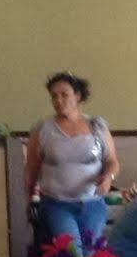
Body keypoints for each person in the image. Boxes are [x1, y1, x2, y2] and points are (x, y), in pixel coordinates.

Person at [24, 71, 118, 245]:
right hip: (56, 204)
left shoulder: (97, 126)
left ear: (77, 96)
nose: (58, 100)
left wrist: (108, 177)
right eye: (54, 96)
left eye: (64, 95)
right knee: (72, 252)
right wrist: (28, 200)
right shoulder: (42, 130)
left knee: (91, 256)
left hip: (92, 203)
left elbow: (112, 161)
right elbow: (32, 167)